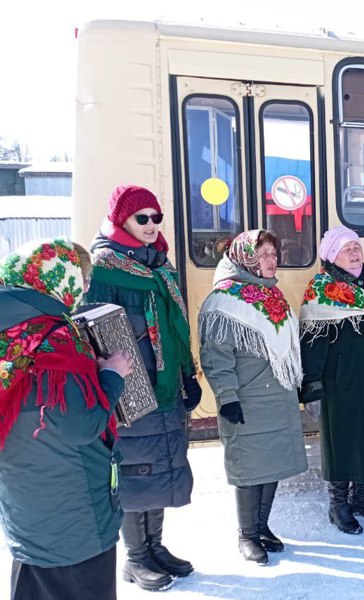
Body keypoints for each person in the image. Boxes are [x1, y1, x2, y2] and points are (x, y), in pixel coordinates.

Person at [0, 238, 132, 600]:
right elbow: (82, 426)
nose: (85, 288)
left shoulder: (10, 330)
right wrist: (112, 375)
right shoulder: (54, 339)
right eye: (83, 279)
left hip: (24, 506)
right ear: (61, 279)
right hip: (73, 519)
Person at [86, 185, 201, 591]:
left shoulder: (160, 267)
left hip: (164, 388)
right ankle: (135, 558)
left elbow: (173, 329)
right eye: (142, 218)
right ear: (122, 220)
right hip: (131, 391)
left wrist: (185, 374)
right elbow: (95, 330)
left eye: (157, 218)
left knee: (162, 465)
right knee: (137, 471)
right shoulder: (104, 267)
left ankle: (155, 546)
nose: (151, 226)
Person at [199, 230, 307, 565]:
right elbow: (216, 355)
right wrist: (227, 396)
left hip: (277, 397)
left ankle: (262, 527)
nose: (271, 260)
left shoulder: (270, 296)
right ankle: (246, 535)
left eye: (274, 253)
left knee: (271, 463)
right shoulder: (224, 300)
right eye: (263, 254)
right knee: (249, 469)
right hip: (246, 400)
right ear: (245, 258)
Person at [298, 226, 364, 534]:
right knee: (342, 445)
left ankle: (360, 498)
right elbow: (311, 345)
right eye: (347, 249)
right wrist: (313, 390)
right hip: (339, 385)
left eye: (357, 247)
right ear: (332, 255)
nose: (355, 252)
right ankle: (338, 506)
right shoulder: (320, 291)